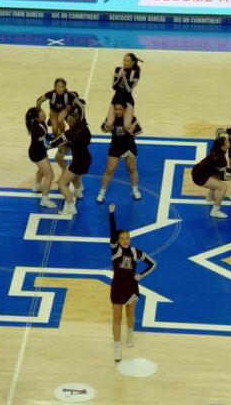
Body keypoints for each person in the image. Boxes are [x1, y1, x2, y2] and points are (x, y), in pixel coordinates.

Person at [108, 204, 156, 362]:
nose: (125, 240)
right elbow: (112, 231)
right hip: (117, 288)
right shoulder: (116, 250)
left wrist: (140, 276)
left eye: (127, 238)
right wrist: (111, 214)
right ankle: (116, 350)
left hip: (131, 288)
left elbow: (153, 264)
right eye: (122, 238)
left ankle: (130, 333)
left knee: (130, 315)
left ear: (130, 238)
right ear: (118, 240)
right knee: (116, 318)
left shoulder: (135, 252)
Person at [97, 102, 142, 203]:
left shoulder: (131, 118)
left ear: (125, 110)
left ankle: (135, 190)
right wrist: (108, 128)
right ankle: (102, 193)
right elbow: (103, 129)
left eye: (120, 109)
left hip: (128, 148)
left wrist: (132, 130)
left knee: (131, 169)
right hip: (116, 148)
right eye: (116, 109)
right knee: (109, 170)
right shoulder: (111, 119)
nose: (117, 112)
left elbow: (139, 130)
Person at [49, 111, 92, 216]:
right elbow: (87, 140)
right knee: (74, 175)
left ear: (69, 121)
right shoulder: (85, 129)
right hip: (86, 157)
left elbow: (54, 143)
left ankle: (71, 207)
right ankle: (78, 192)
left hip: (78, 160)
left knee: (62, 184)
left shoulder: (68, 133)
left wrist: (45, 145)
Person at [36, 79, 77, 170]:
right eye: (58, 87)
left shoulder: (68, 95)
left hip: (63, 110)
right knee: (54, 129)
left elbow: (77, 101)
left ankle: (63, 138)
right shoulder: (51, 94)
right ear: (54, 87)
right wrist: (37, 111)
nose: (59, 89)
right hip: (53, 112)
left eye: (62, 87)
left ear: (65, 87)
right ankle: (60, 143)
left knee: (60, 120)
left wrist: (71, 108)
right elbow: (39, 100)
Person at [24, 107, 57, 208]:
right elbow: (45, 145)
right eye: (42, 115)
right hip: (38, 154)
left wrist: (53, 137)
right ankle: (45, 200)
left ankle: (37, 186)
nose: (44, 115)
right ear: (37, 119)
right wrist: (57, 143)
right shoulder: (37, 129)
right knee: (50, 175)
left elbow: (45, 136)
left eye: (43, 112)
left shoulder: (40, 123)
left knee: (42, 170)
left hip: (38, 151)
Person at [191, 136, 231, 218]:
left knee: (216, 179)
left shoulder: (216, 152)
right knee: (223, 187)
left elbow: (221, 169)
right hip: (200, 177)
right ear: (222, 146)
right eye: (227, 142)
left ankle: (210, 197)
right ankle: (215, 211)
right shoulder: (221, 158)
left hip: (198, 171)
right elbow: (223, 177)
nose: (229, 142)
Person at [104, 53, 142, 133]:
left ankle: (134, 121)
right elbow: (114, 87)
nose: (124, 62)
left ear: (132, 62)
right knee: (109, 124)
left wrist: (124, 78)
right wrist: (119, 77)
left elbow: (129, 90)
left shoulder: (135, 73)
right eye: (124, 60)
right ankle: (117, 135)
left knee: (127, 125)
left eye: (127, 61)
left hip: (127, 99)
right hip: (117, 97)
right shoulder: (118, 69)